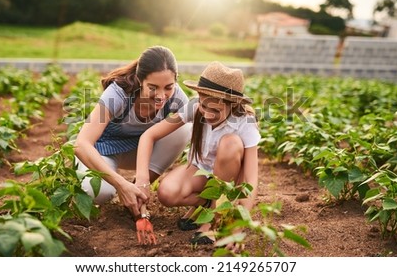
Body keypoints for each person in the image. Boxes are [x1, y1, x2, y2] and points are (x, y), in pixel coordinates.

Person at [135, 61, 260, 245]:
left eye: (216, 110)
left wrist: (238, 228)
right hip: (201, 172)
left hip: (229, 183)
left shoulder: (245, 122)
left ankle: (215, 220)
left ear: (233, 105)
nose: (208, 114)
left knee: (230, 142)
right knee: (167, 192)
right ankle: (206, 205)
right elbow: (149, 135)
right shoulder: (194, 107)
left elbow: (250, 180)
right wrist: (142, 179)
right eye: (203, 105)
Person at [74, 46, 191, 218]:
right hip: (104, 151)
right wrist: (121, 184)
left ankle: (138, 192)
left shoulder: (176, 96)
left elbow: (202, 130)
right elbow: (81, 144)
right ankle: (120, 186)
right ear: (139, 80)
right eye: (153, 87)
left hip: (140, 152)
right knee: (99, 193)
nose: (161, 95)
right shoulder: (118, 93)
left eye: (168, 87)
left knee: (185, 127)